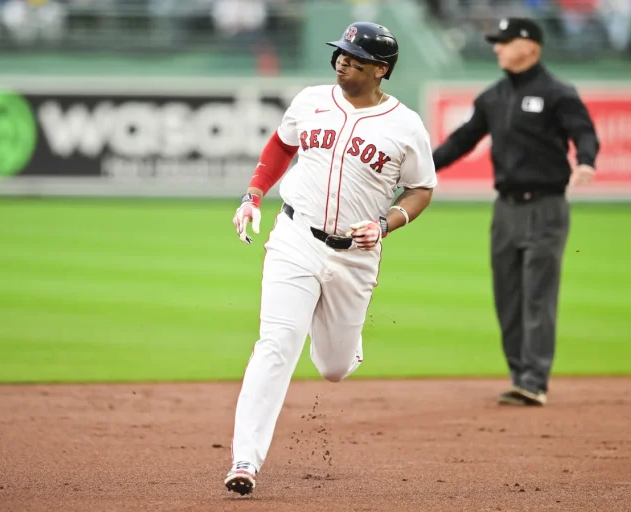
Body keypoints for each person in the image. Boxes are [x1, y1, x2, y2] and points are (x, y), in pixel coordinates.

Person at [225, 22, 437, 495]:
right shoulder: (310, 100)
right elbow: (281, 145)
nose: (343, 59)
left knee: (334, 367)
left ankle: (344, 343)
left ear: (381, 70)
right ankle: (245, 459)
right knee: (277, 344)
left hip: (356, 255)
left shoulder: (406, 126)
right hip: (295, 237)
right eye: (341, 51)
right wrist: (254, 193)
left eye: (355, 55)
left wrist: (387, 222)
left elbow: (422, 188)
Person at [432, 17, 600, 407]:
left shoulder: (558, 92)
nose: (497, 48)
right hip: (505, 209)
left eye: (505, 42)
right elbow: (460, 141)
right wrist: (420, 170)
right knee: (507, 296)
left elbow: (584, 131)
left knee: (538, 294)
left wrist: (587, 161)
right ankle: (519, 375)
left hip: (546, 206)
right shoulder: (493, 96)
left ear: (531, 46)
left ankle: (534, 379)